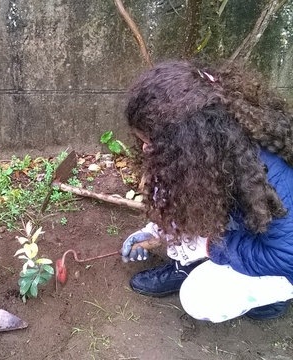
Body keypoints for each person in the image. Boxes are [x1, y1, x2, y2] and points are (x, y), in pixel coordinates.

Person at [120, 60, 293, 323]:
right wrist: (155, 232)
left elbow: (284, 256)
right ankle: (192, 263)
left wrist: (209, 247)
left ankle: (274, 300)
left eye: (149, 141)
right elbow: (189, 198)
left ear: (185, 138)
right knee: (172, 183)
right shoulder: (207, 150)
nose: (144, 148)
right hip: (253, 228)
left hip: (283, 260)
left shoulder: (270, 175)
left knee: (200, 298)